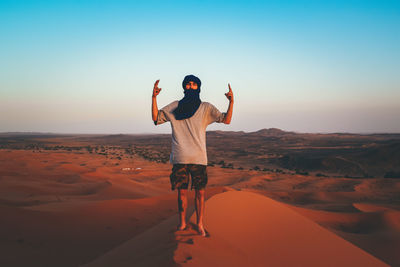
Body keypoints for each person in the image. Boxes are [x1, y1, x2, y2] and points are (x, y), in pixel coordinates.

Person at [151, 74, 234, 236]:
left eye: (193, 84)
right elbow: (156, 118)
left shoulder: (206, 108)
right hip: (180, 157)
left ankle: (200, 224)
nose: (190, 86)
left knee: (200, 193)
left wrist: (232, 102)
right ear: (184, 87)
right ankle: (182, 223)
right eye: (187, 84)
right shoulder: (174, 106)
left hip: (198, 158)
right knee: (181, 192)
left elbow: (226, 120)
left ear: (198, 87)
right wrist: (153, 98)